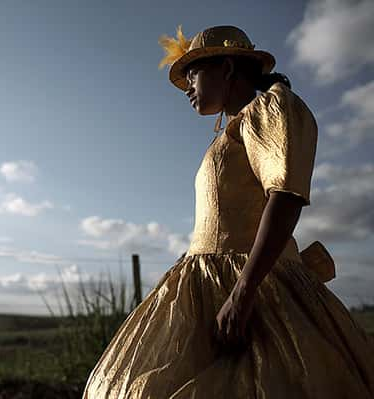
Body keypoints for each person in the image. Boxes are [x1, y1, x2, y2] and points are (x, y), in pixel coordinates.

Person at [82, 25, 374, 398]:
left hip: (251, 282)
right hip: (205, 278)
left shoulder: (269, 109)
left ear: (228, 69)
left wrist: (243, 293)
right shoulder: (230, 133)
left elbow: (284, 197)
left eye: (193, 75)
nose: (188, 88)